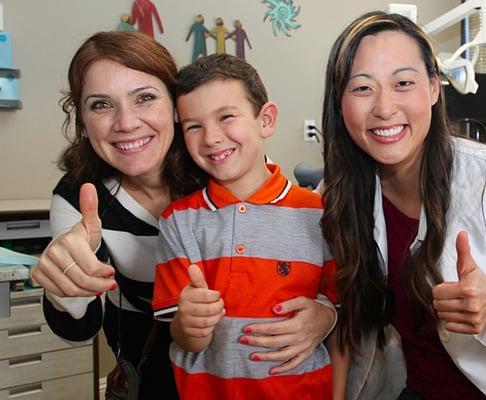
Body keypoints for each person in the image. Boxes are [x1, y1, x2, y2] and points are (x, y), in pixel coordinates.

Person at [30, 31, 337, 400]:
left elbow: (300, 263)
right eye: (100, 105)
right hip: (151, 367)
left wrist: (326, 314)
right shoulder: (81, 196)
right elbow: (76, 330)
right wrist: (67, 281)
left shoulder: (223, 164)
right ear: (81, 118)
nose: (126, 122)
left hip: (250, 371)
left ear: (173, 108)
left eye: (144, 98)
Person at [320, 11, 486, 400]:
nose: (384, 107)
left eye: (403, 83)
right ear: (340, 102)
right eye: (362, 88)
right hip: (414, 388)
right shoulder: (341, 194)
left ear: (433, 88)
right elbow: (337, 299)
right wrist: (321, 315)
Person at [152, 53, 347, 400]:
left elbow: (341, 312)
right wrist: (190, 323)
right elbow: (183, 336)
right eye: (193, 126)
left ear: (266, 119)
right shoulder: (178, 222)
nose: (211, 137)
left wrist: (328, 316)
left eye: (226, 116)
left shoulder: (320, 215)